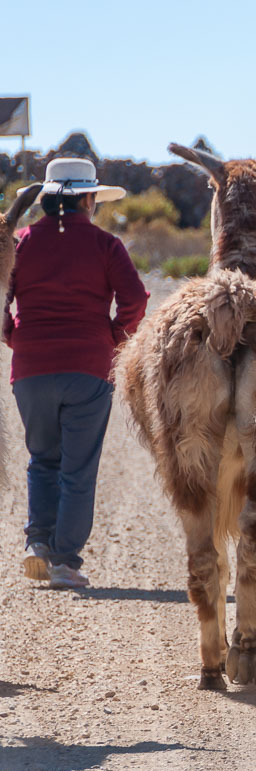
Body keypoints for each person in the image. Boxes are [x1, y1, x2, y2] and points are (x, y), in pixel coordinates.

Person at [5, 158, 149, 589]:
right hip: (89, 368)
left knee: (42, 459)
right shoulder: (107, 245)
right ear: (88, 199)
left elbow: (0, 299)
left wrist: (15, 336)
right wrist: (113, 338)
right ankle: (65, 563)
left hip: (30, 370)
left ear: (48, 198)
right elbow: (136, 300)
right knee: (78, 468)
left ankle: (37, 545)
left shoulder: (22, 242)